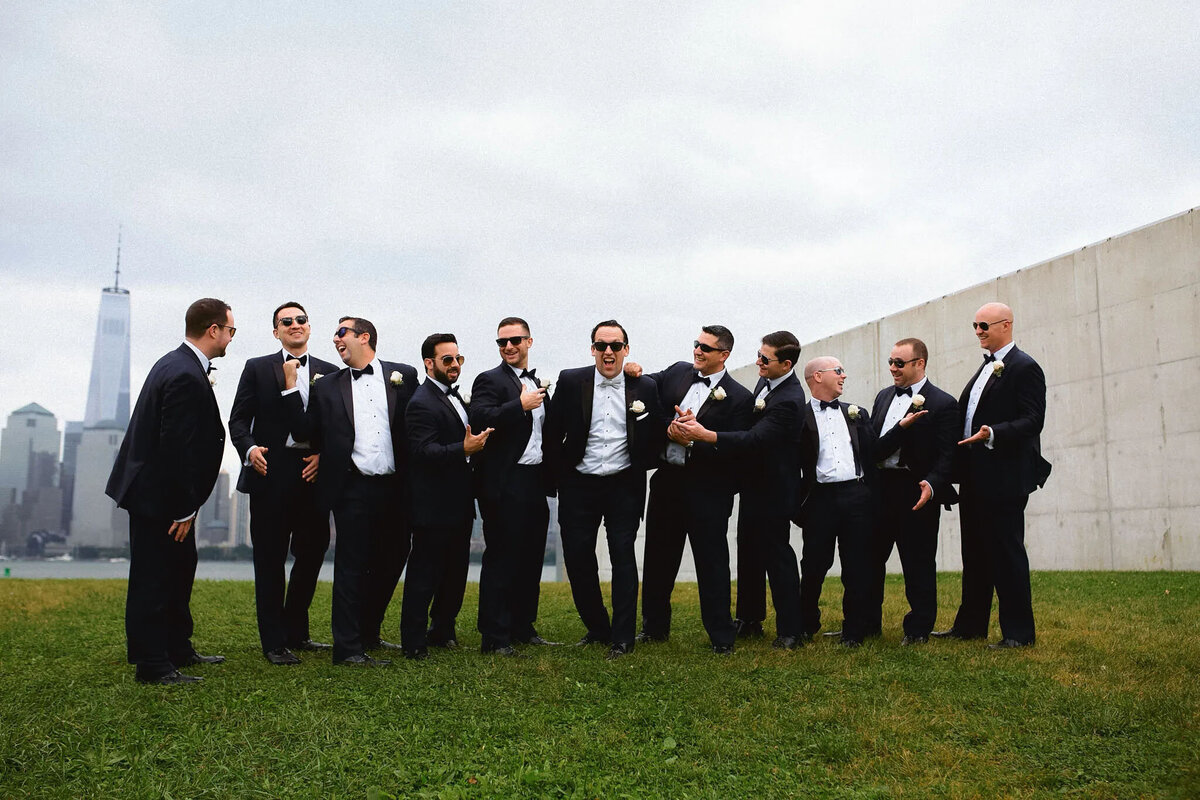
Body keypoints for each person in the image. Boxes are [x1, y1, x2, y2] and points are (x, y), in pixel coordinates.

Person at [106, 298, 233, 684]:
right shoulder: (182, 373)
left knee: (179, 569)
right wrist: (182, 508)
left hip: (163, 494)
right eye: (230, 330)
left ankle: (178, 646)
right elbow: (174, 446)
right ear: (213, 330)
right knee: (154, 576)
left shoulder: (175, 363)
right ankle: (152, 664)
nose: (230, 338)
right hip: (158, 498)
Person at [284, 317, 418, 666]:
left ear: (364, 336)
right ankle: (347, 648)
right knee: (351, 567)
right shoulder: (326, 385)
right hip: (352, 487)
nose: (335, 339)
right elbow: (304, 430)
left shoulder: (403, 375)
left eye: (341, 333)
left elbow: (417, 424)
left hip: (396, 487)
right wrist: (289, 389)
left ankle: (368, 632)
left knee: (393, 559)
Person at [672, 331, 807, 649]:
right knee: (748, 553)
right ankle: (750, 619)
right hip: (754, 486)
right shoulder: (767, 382)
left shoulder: (789, 399)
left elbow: (755, 439)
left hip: (775, 489)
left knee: (777, 556)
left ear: (785, 364)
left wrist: (707, 435)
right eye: (759, 354)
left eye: (765, 358)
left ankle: (791, 629)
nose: (758, 361)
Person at [542, 320, 666, 660]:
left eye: (615, 346)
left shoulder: (645, 386)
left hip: (624, 483)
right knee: (578, 557)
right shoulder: (570, 380)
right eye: (601, 346)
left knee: (622, 555)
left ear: (626, 349)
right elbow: (551, 435)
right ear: (592, 349)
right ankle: (598, 627)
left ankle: (623, 638)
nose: (607, 352)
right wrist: (560, 477)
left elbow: (654, 432)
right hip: (579, 483)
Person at [229, 302, 340, 665]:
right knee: (270, 559)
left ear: (310, 327)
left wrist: (323, 455)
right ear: (275, 331)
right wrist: (248, 450)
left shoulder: (331, 372)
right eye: (286, 321)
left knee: (312, 553)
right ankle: (273, 643)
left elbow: (339, 426)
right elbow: (239, 420)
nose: (295, 325)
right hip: (270, 474)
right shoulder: (257, 368)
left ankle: (297, 631)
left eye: (301, 320)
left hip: (313, 476)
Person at [935, 303, 1051, 649]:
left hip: (1005, 476)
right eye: (974, 325)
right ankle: (970, 625)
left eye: (984, 325)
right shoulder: (985, 368)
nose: (978, 331)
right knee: (974, 552)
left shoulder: (1025, 367)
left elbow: (1033, 420)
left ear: (1006, 325)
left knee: (1006, 552)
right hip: (975, 475)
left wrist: (992, 432)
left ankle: (1018, 633)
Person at [633, 326, 752, 654]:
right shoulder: (676, 372)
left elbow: (737, 450)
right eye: (697, 344)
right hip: (667, 483)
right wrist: (634, 370)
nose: (698, 351)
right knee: (658, 559)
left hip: (708, 491)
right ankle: (654, 629)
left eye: (706, 348)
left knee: (712, 563)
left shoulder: (740, 397)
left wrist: (696, 439)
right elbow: (647, 386)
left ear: (723, 355)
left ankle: (721, 637)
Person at [400, 334, 493, 659]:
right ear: (429, 363)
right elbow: (422, 452)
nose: (455, 366)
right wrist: (464, 449)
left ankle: (443, 629)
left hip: (459, 502)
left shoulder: (455, 398)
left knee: (455, 572)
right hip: (432, 504)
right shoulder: (421, 401)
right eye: (447, 360)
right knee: (424, 574)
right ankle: (413, 641)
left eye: (458, 359)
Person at [469, 317, 558, 654]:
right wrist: (518, 406)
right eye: (502, 342)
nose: (508, 346)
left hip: (535, 481)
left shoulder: (538, 382)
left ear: (529, 342)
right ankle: (494, 635)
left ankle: (523, 626)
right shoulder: (489, 380)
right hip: (505, 483)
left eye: (515, 340)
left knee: (531, 557)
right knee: (502, 558)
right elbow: (478, 416)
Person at [867, 338, 958, 645]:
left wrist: (931, 485)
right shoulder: (882, 397)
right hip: (880, 488)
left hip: (915, 491)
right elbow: (873, 446)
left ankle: (918, 629)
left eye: (899, 363)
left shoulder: (944, 404)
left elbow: (949, 455)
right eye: (890, 362)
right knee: (869, 559)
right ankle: (865, 623)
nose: (893, 368)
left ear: (920, 363)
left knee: (917, 562)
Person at [795, 356, 876, 647]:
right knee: (814, 565)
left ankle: (854, 630)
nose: (844, 375)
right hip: (820, 499)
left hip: (856, 497)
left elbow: (873, 454)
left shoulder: (857, 413)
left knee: (857, 566)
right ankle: (805, 624)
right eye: (838, 371)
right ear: (817, 376)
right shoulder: (799, 417)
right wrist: (799, 506)